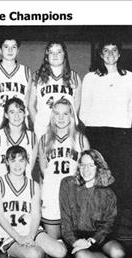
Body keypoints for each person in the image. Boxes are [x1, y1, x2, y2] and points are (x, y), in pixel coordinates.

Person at [79, 40, 132, 210]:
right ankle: (92, 214)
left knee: (118, 176)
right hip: (96, 133)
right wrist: (96, 124)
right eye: (106, 51)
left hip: (120, 133)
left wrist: (122, 119)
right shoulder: (90, 78)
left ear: (119, 53)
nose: (110, 54)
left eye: (114, 50)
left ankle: (112, 219)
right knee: (94, 174)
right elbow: (84, 109)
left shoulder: (130, 77)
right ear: (100, 55)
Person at [0, 145, 67, 258]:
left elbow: (36, 215)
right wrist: (19, 238)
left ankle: (45, 244)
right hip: (9, 234)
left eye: (21, 160)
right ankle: (15, 249)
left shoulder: (34, 185)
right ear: (6, 162)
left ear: (27, 161)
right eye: (13, 160)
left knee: (61, 252)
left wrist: (31, 236)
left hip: (31, 231)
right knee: (34, 254)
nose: (17, 165)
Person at [60, 149, 125, 258]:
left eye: (91, 165)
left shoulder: (108, 193)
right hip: (77, 237)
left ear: (99, 168)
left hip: (99, 237)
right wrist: (74, 242)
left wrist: (92, 241)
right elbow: (65, 221)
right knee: (83, 257)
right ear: (79, 167)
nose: (86, 170)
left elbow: (109, 224)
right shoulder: (67, 184)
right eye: (83, 165)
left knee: (118, 253)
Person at [38, 98, 90, 238]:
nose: (60, 118)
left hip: (73, 194)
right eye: (57, 113)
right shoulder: (44, 139)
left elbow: (88, 173)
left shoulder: (80, 139)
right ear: (52, 116)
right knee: (55, 246)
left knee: (74, 247)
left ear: (71, 116)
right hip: (51, 195)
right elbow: (43, 172)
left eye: (65, 114)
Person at [29, 41, 82, 141]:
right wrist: (38, 122)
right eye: (51, 52)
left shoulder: (74, 77)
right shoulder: (37, 76)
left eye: (58, 52)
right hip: (43, 127)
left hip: (66, 128)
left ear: (64, 55)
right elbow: (30, 105)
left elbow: (76, 106)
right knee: (43, 156)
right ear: (46, 56)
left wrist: (71, 122)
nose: (55, 55)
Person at [0, 36, 32, 138]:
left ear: (18, 50)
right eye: (6, 47)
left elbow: (27, 101)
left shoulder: (26, 71)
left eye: (13, 47)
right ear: (0, 50)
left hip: (19, 121)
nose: (10, 50)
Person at [0, 97, 37, 182]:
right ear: (6, 115)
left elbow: (29, 169)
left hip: (24, 187)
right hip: (1, 186)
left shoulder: (32, 138)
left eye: (20, 112)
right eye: (12, 112)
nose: (16, 116)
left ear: (25, 114)